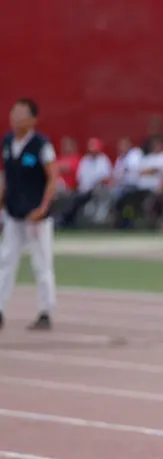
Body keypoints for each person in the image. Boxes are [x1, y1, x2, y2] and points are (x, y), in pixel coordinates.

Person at [0, 98, 59, 331]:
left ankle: (46, 311)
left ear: (33, 119)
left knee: (41, 263)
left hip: (35, 215)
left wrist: (44, 207)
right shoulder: (6, 142)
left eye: (21, 114)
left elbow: (53, 176)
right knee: (6, 261)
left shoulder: (41, 145)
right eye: (13, 113)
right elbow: (6, 177)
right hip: (13, 213)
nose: (15, 118)